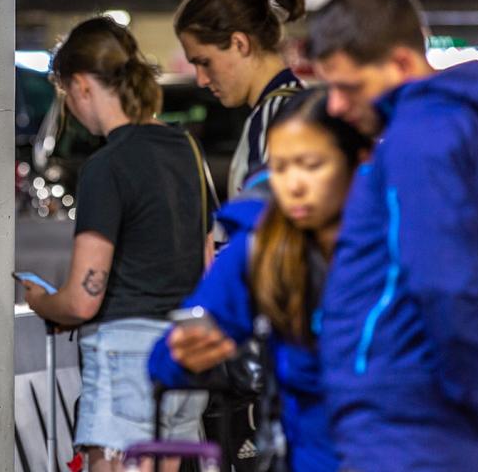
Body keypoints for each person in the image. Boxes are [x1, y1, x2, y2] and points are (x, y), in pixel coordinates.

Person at [308, 0, 478, 471]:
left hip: (409, 419)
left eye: (348, 86)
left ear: (400, 64)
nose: (334, 105)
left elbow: (447, 285)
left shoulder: (419, 136)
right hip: (445, 417)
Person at [22, 17, 215, 472]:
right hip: (188, 350)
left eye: (66, 93)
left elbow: (84, 300)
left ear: (83, 85)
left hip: (127, 357)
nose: (70, 105)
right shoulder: (187, 151)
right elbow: (206, 261)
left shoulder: (106, 167)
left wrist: (44, 302)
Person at [148, 89, 371, 471]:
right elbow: (167, 356)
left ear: (357, 163)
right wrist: (183, 353)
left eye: (312, 164)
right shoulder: (261, 245)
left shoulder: (400, 238)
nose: (294, 185)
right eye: (281, 167)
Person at [174, 0, 306, 198]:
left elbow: (266, 225)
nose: (201, 80)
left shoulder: (273, 118)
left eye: (205, 62)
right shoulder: (292, 106)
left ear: (239, 44)